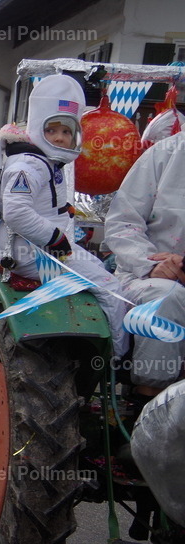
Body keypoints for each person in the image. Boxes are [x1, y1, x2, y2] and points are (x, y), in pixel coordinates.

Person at [0, 73, 126, 355]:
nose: (60, 138)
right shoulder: (29, 165)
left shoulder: (45, 162)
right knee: (110, 287)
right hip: (33, 254)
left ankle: (94, 349)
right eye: (52, 130)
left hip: (43, 250)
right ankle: (116, 360)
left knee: (99, 267)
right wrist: (56, 239)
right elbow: (16, 211)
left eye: (66, 132)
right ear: (37, 129)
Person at [105, 133, 185, 401]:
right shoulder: (165, 154)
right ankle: (148, 404)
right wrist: (151, 264)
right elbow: (123, 223)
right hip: (148, 276)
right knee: (166, 298)